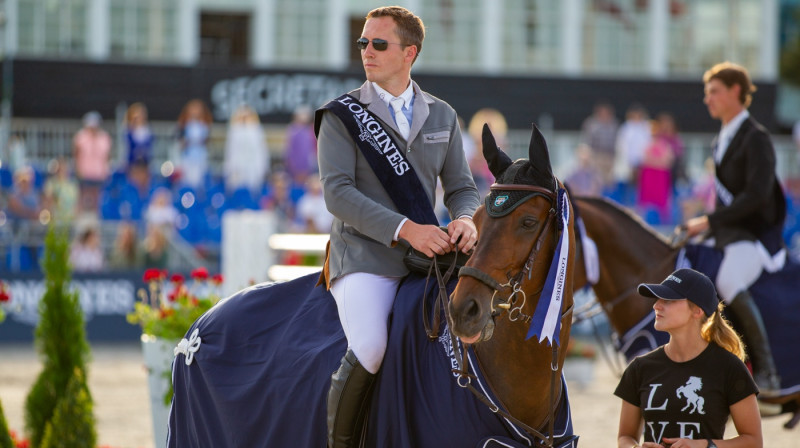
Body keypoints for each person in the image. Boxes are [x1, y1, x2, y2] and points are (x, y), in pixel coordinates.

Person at [315, 6, 480, 447]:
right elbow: (339, 195)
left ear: (410, 52)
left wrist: (465, 218)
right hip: (365, 258)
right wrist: (408, 228)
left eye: (378, 43)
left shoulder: (443, 115)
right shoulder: (340, 115)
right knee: (370, 347)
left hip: (428, 257)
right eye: (362, 43)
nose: (366, 51)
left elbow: (462, 187)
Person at [682, 62, 785, 395]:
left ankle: (768, 370)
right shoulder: (721, 139)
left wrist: (708, 221)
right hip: (730, 233)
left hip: (756, 236)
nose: (707, 99)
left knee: (727, 279)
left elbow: (756, 196)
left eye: (714, 92)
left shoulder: (756, 137)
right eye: (706, 92)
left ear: (735, 91)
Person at [615, 268, 762, 448]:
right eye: (658, 299)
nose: (656, 305)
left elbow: (753, 441)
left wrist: (704, 445)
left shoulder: (729, 368)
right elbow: (625, 437)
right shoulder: (639, 368)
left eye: (668, 299)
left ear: (697, 310)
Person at [224, 104, 270, 194]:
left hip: (253, 167)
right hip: (238, 167)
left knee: (253, 190)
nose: (245, 119)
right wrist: (230, 168)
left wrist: (262, 167)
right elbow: (231, 151)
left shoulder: (256, 130)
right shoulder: (234, 130)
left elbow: (261, 151)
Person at [73, 111, 112, 212]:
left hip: (99, 174)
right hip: (85, 174)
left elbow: (107, 156)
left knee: (98, 200)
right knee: (84, 199)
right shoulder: (80, 137)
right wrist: (78, 170)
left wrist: (106, 170)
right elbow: (76, 155)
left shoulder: (104, 138)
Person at [580, 102, 619, 188]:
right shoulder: (592, 124)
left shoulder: (613, 124)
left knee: (609, 181)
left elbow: (616, 140)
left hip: (609, 156)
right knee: (596, 179)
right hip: (596, 155)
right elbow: (587, 139)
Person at [176, 99, 213, 190]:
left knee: (199, 181)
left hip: (200, 158)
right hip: (187, 157)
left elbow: (206, 142)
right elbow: (180, 142)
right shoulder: (184, 126)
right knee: (186, 180)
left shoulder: (204, 126)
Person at [284, 105, 318, 184]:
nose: (305, 117)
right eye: (303, 114)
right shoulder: (293, 130)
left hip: (308, 166)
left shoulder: (308, 129)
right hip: (296, 168)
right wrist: (294, 167)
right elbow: (289, 151)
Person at [125, 103, 154, 192]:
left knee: (144, 186)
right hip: (134, 163)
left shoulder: (147, 130)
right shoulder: (130, 131)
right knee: (133, 185)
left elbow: (149, 146)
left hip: (144, 163)